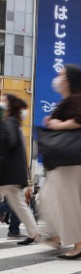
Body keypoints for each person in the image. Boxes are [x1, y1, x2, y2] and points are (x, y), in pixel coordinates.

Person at [41, 65, 81, 260]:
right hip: (71, 161)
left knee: (66, 202)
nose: (57, 79)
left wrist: (59, 124)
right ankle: (68, 241)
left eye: (61, 76)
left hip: (71, 162)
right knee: (62, 201)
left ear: (69, 80)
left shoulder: (74, 99)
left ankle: (77, 246)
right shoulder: (72, 99)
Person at [0, 94, 40, 245]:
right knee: (20, 205)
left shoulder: (8, 122)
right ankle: (34, 233)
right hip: (13, 173)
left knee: (19, 204)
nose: (1, 102)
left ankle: (32, 232)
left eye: (3, 100)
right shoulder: (14, 123)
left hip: (6, 172)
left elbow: (8, 141)